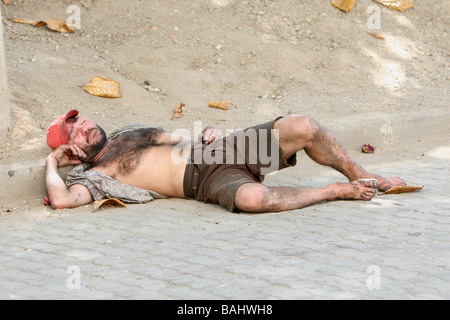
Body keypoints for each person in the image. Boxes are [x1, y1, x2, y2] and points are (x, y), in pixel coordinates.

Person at [45, 110, 405, 213]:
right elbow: (61, 200)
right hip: (205, 183)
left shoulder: (132, 134)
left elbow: (181, 138)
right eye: (73, 132)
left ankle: (363, 173)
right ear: (69, 152)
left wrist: (209, 133)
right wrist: (52, 163)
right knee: (253, 200)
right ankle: (334, 191)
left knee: (303, 126)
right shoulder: (94, 176)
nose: (85, 127)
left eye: (82, 121)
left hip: (222, 150)